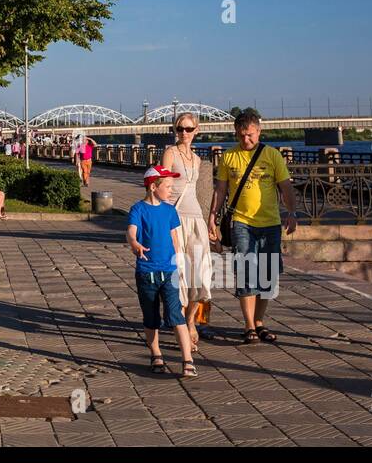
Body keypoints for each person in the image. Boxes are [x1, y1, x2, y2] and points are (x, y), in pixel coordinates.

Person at [208, 109, 297, 344]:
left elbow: (285, 187)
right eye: (240, 136)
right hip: (241, 222)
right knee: (246, 273)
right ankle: (248, 326)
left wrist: (292, 212)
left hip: (271, 223)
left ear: (259, 131)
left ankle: (259, 322)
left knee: (268, 276)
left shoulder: (272, 156)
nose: (245, 140)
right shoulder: (229, 157)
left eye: (250, 135)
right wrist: (212, 216)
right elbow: (221, 190)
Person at [127, 165, 196, 377]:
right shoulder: (138, 209)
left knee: (176, 315)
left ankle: (187, 360)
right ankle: (156, 352)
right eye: (167, 186)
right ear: (153, 187)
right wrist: (135, 245)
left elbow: (175, 238)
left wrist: (180, 264)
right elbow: (131, 232)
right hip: (146, 272)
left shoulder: (170, 210)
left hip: (170, 272)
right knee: (151, 317)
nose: (171, 190)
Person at [161, 112, 213, 345]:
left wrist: (211, 222)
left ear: (197, 130)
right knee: (179, 274)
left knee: (200, 274)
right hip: (175, 218)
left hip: (197, 220)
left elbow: (202, 193)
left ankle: (192, 319)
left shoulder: (198, 159)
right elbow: (161, 185)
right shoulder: (170, 153)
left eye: (189, 129)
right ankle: (181, 324)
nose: (184, 133)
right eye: (180, 129)